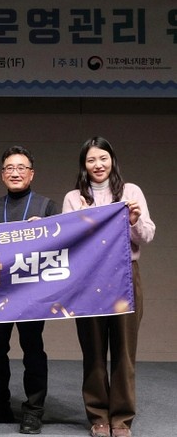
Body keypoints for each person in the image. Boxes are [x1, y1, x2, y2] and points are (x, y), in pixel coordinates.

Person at [62, 137, 155, 437]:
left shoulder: (131, 192)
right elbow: (67, 241)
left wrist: (133, 221)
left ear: (112, 160)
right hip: (88, 279)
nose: (98, 165)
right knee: (93, 349)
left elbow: (147, 236)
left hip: (125, 275)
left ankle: (122, 419)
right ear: (84, 164)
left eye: (103, 158)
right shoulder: (74, 198)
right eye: (91, 160)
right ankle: (98, 416)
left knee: (124, 350)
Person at [0, 146, 58, 434]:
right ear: (2, 174)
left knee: (33, 349)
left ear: (31, 174)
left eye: (21, 168)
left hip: (31, 292)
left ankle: (33, 411)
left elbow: (61, 243)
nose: (15, 173)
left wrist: (47, 227)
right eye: (9, 168)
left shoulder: (47, 206)